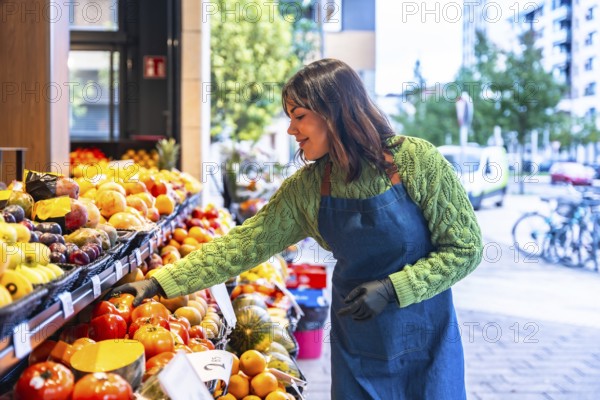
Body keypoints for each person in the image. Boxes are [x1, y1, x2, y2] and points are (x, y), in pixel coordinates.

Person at [111, 58, 483, 399]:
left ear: (335, 113)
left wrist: (392, 289)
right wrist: (160, 282)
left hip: (427, 340)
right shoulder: (307, 188)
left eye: (299, 115)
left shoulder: (415, 161)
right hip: (358, 342)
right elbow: (243, 244)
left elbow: (465, 248)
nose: (291, 129)